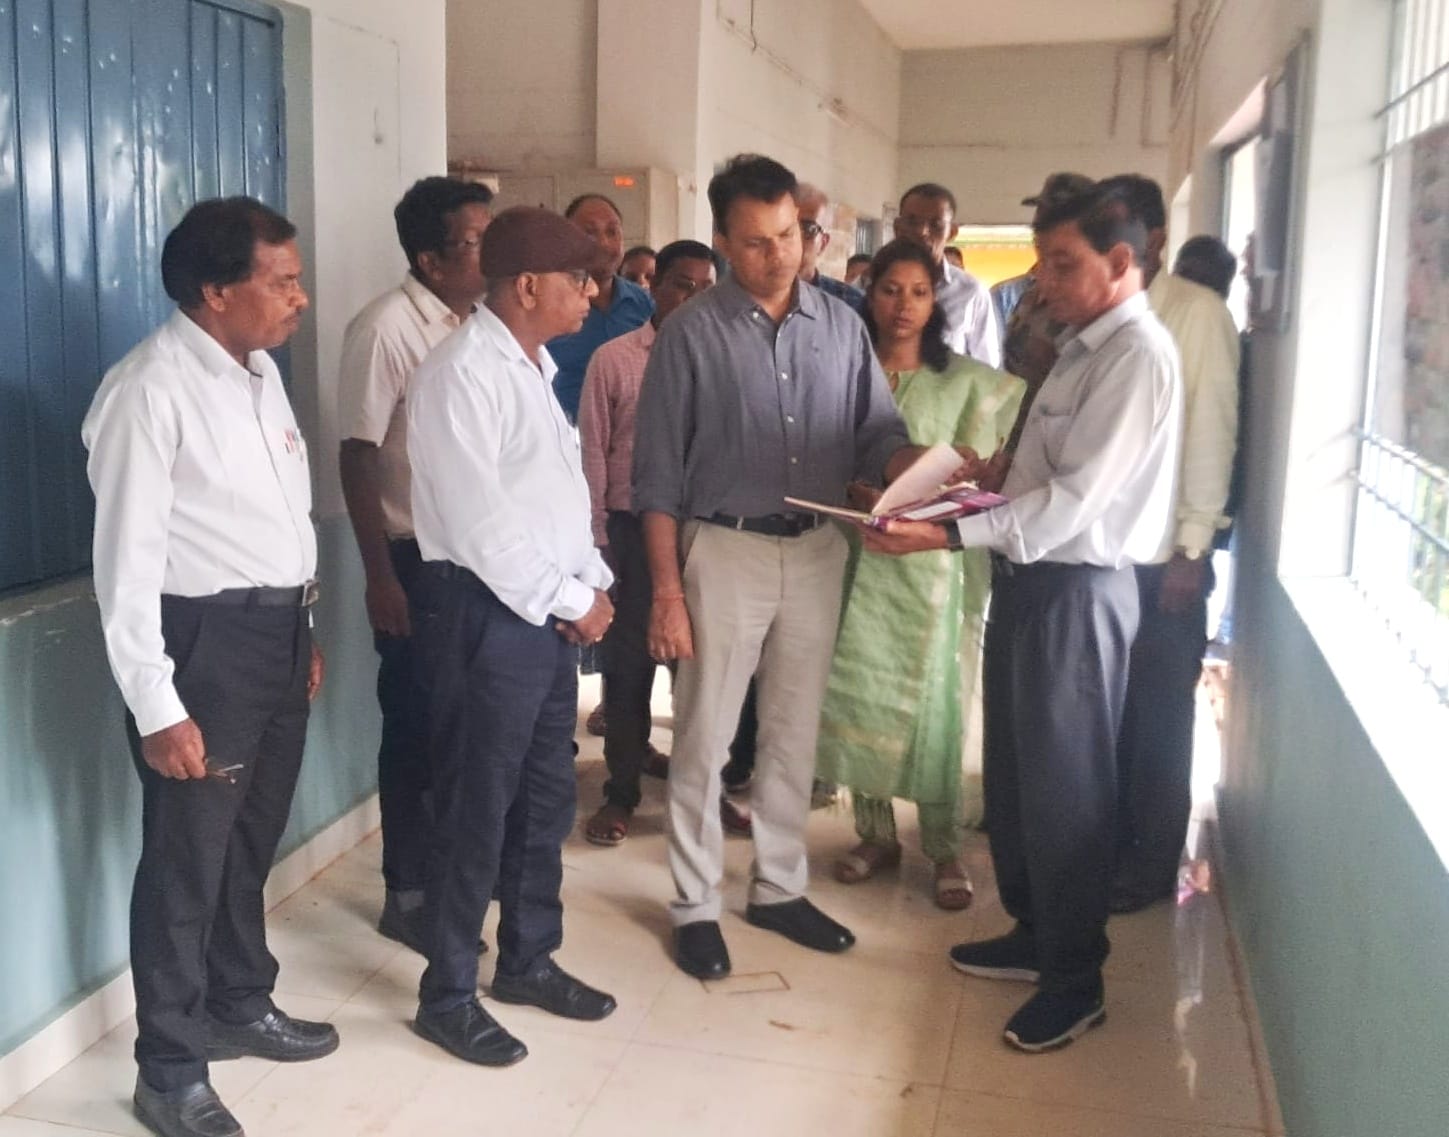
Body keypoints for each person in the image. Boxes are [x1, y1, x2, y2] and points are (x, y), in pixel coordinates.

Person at [861, 182, 1182, 1053]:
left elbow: (1075, 503)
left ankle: (1075, 980)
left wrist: (944, 533)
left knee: (1067, 789)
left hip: (1079, 592)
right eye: (1041, 263)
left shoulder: (1135, 357)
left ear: (1122, 261)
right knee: (1015, 777)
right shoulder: (1078, 346)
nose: (1042, 281)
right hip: (1031, 580)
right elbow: (1041, 473)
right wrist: (984, 480)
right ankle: (1034, 932)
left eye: (1062, 264)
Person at [83, 197, 336, 1137]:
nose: (300, 298)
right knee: (186, 864)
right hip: (200, 647)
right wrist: (158, 705)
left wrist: (302, 629)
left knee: (248, 841)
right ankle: (169, 1068)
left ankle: (238, 1002)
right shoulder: (147, 391)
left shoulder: (259, 376)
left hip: (276, 638)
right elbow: (126, 568)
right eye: (284, 282)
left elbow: (271, 524)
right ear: (216, 290)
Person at [632, 154, 916, 982]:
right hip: (724, 550)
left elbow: (874, 431)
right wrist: (666, 592)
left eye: (789, 235)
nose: (778, 255)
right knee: (705, 733)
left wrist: (917, 465)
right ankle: (694, 903)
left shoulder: (841, 326)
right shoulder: (691, 334)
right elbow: (656, 476)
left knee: (792, 730)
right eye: (756, 242)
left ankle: (779, 886)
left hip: (819, 547)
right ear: (723, 242)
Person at [406, 206, 620, 1068]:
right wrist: (570, 598)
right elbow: (482, 525)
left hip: (542, 615)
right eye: (579, 279)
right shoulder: (460, 373)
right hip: (485, 615)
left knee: (543, 798)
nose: (591, 293)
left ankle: (528, 958)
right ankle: (447, 993)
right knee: (476, 807)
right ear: (528, 285)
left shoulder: (533, 365)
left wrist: (591, 581)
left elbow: (553, 501)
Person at [816, 238, 1023, 911]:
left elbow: (986, 477)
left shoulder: (969, 384)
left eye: (918, 292)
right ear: (868, 294)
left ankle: (942, 845)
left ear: (937, 301)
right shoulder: (847, 374)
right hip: (855, 558)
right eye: (888, 290)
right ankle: (874, 834)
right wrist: (852, 489)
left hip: (933, 570)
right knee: (857, 691)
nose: (902, 305)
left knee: (936, 705)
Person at [337, 176, 493, 956]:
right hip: (411, 561)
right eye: (476, 241)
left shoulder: (480, 324)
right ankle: (408, 892)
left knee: (461, 732)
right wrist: (380, 577)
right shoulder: (386, 328)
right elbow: (357, 455)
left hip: (471, 562)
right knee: (416, 730)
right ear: (431, 259)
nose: (492, 254)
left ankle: (452, 880)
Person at [1098, 177, 1240, 914]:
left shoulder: (1198, 313)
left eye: (1117, 228)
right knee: (1111, 713)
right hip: (1106, 554)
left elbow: (1211, 431)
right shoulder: (1106, 309)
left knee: (1156, 719)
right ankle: (1110, 843)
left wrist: (1192, 550)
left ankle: (1150, 865)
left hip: (1166, 562)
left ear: (1154, 239)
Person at [578, 239, 718, 846]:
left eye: (707, 288)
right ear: (655, 286)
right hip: (632, 533)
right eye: (683, 284)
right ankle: (621, 791)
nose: (694, 298)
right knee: (629, 668)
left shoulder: (724, 361)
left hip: (704, 534)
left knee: (703, 673)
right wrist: (597, 539)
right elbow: (592, 451)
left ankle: (700, 794)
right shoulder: (614, 359)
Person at [996, 173, 1096, 451]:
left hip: (1061, 449)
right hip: (1016, 442)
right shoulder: (1031, 293)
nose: (1039, 226)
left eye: (1056, 217)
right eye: (1040, 215)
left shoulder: (1090, 302)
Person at [547, 193, 654, 422]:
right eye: (589, 233)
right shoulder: (547, 306)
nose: (603, 243)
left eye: (612, 232)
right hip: (568, 434)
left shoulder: (646, 305)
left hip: (633, 435)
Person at [893, 182, 1001, 366]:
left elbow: (987, 367)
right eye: (912, 222)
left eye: (936, 225)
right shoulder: (869, 284)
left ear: (951, 232)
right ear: (897, 227)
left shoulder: (971, 292)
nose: (922, 232)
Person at [794, 182, 865, 304]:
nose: (794, 238)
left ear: (823, 243)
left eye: (808, 229)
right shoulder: (757, 297)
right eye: (786, 229)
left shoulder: (850, 302)